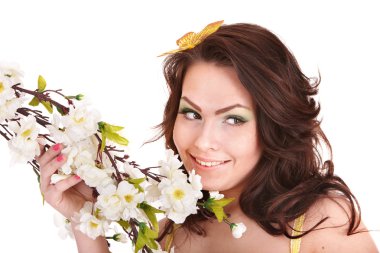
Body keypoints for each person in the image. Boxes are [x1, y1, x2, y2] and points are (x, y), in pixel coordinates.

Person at [36, 21, 378, 253]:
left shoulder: (323, 222)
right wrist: (84, 217)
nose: (203, 141)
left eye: (233, 118)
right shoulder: (173, 227)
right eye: (192, 113)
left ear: (274, 124)